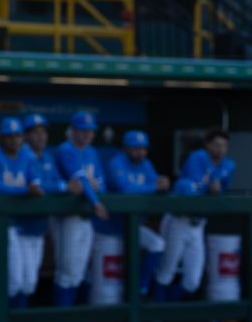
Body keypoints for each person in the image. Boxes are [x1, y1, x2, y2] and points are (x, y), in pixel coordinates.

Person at [153, 129, 234, 302]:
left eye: (224, 146)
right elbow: (193, 190)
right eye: (216, 145)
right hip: (178, 220)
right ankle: (156, 316)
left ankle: (168, 308)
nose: (220, 149)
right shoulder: (197, 158)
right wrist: (210, 190)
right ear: (207, 145)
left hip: (198, 225)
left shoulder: (228, 165)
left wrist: (217, 192)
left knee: (192, 281)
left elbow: (222, 191)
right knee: (167, 271)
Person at [103, 130, 169, 300]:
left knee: (157, 244)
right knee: (106, 280)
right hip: (110, 228)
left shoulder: (146, 164)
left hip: (132, 225)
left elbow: (157, 185)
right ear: (125, 148)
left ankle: (141, 288)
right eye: (136, 148)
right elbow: (126, 190)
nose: (141, 152)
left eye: (143, 148)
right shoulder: (115, 163)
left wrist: (161, 184)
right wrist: (154, 187)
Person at [53, 111, 110, 307]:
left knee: (78, 271)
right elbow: (81, 181)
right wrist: (95, 201)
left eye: (90, 131)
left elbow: (102, 185)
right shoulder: (65, 149)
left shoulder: (92, 152)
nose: (86, 135)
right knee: (67, 271)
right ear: (73, 131)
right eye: (82, 130)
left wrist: (90, 188)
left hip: (85, 218)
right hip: (67, 217)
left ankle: (69, 320)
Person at [0, 117, 43, 306]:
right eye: (9, 136)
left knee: (18, 281)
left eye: (17, 135)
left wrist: (33, 189)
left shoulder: (26, 157)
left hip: (12, 226)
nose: (13, 140)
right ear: (0, 138)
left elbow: (38, 186)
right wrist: (25, 191)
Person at [21, 114, 73, 308]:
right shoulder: (22, 155)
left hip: (38, 226)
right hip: (16, 226)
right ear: (25, 136)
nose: (40, 136)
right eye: (35, 133)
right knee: (14, 281)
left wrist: (61, 186)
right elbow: (42, 185)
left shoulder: (48, 157)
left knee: (28, 282)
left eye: (43, 132)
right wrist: (63, 187)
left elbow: (56, 182)